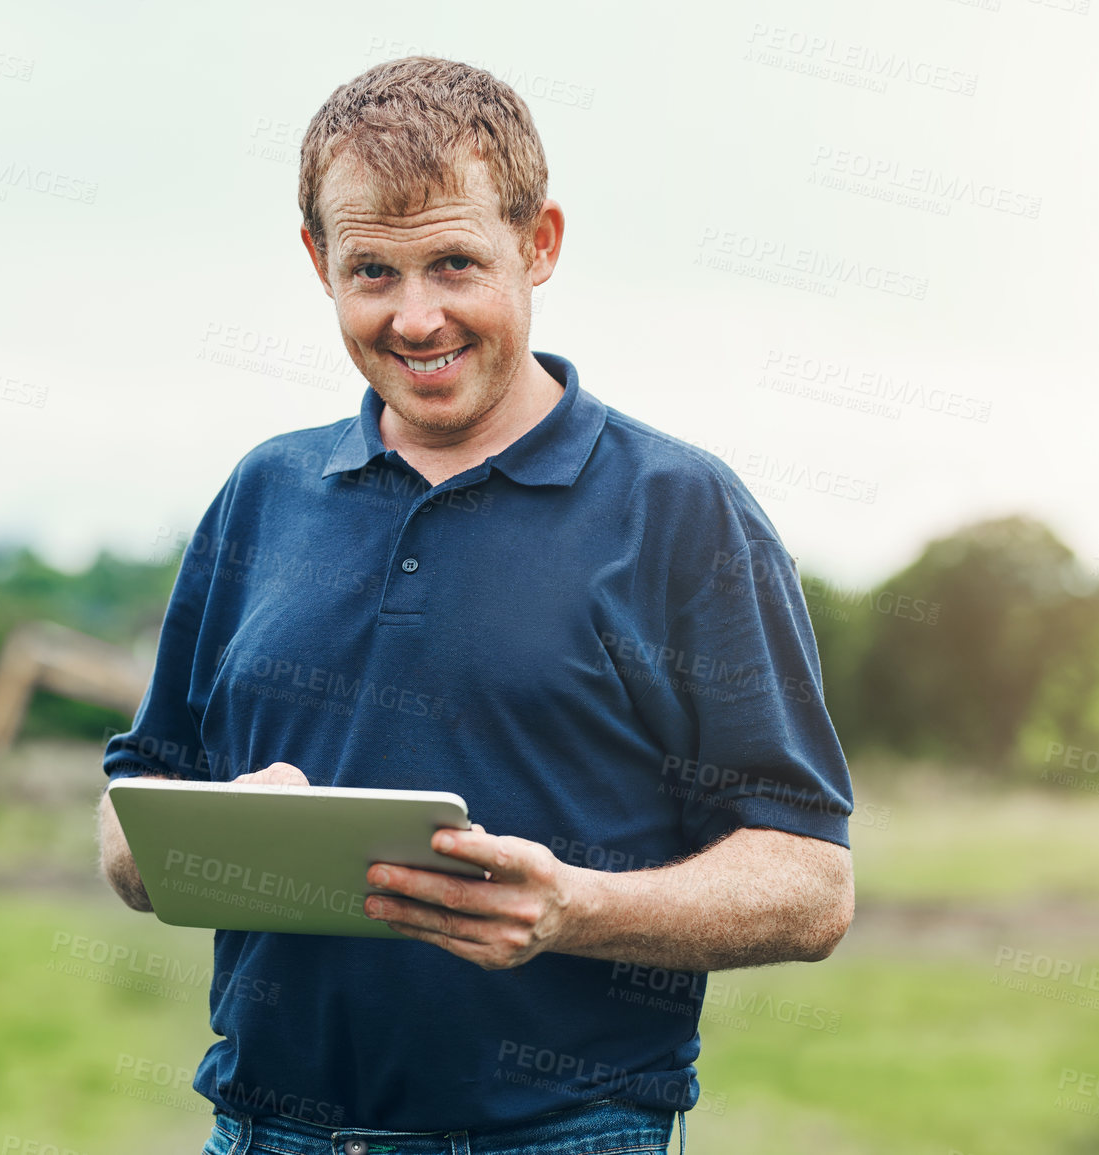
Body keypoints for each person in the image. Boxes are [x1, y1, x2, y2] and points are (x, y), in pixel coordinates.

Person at [98, 56, 854, 1155]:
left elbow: (809, 884)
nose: (416, 318)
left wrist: (580, 909)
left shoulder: (683, 512)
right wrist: (205, 841)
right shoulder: (263, 495)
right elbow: (135, 805)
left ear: (539, 244)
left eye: (455, 263)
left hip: (564, 1134)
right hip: (266, 1132)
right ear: (317, 262)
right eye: (371, 272)